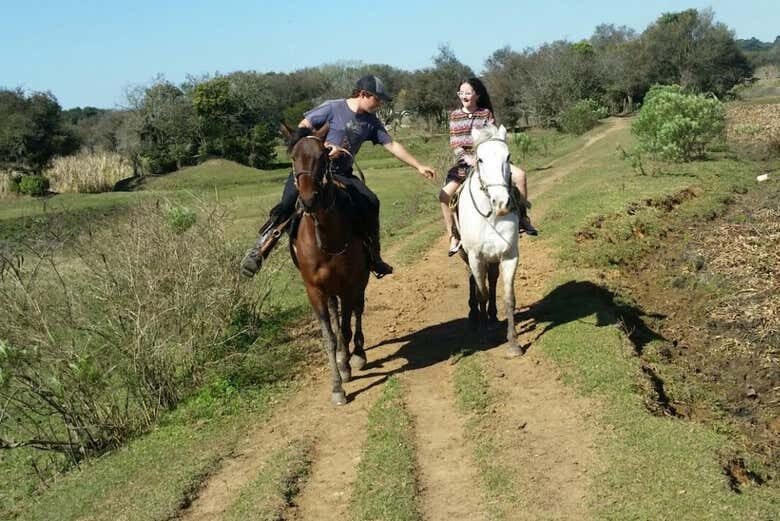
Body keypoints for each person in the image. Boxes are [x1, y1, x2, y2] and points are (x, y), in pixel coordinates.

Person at [241, 75, 436, 278]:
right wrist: (324, 147)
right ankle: (260, 250)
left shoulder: (371, 122)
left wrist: (418, 166)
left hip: (342, 174)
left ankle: (374, 256)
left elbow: (392, 145)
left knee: (371, 201)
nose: (379, 104)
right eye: (377, 99)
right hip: (311, 172)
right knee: (287, 203)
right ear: (363, 94)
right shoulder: (332, 108)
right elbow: (302, 129)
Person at [440, 78, 538, 256]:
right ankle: (453, 235)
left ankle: (523, 218)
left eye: (468, 92)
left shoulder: (485, 113)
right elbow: (455, 142)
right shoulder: (454, 115)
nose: (464, 96)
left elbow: (493, 136)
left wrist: (484, 155)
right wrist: (468, 158)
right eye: (461, 93)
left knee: (520, 176)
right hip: (465, 163)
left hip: (489, 160)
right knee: (444, 195)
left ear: (477, 94)